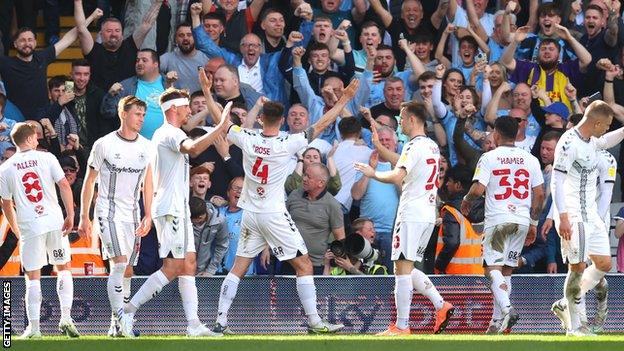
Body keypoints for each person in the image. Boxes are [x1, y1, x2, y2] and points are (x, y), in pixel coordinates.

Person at [204, 69, 360, 334]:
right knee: (304, 265)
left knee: (238, 267)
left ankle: (220, 321)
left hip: (250, 213)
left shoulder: (247, 138)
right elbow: (321, 124)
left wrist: (207, 92)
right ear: (283, 120)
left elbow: (222, 121)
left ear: (262, 118)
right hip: (274, 213)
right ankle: (314, 321)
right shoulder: (289, 142)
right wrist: (343, 101)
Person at [117, 87, 231, 338]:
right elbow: (192, 148)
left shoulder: (169, 133)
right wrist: (220, 127)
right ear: (174, 109)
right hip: (170, 210)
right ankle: (127, 311)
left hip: (178, 209)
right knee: (172, 266)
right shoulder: (169, 133)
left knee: (188, 264)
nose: (189, 111)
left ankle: (193, 325)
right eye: (186, 106)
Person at [355, 102, 454, 335]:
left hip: (411, 213)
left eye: (401, 117)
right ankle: (441, 305)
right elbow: (403, 161)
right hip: (427, 215)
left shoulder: (413, 146)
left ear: (411, 119)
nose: (399, 121)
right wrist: (379, 146)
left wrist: (373, 173)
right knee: (406, 267)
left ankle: (401, 326)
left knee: (400, 269)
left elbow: (397, 174)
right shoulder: (430, 146)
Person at [77, 95, 154, 337]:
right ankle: (123, 320)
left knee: (128, 269)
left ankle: (115, 324)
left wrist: (149, 214)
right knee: (119, 263)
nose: (141, 118)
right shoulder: (104, 144)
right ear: (123, 114)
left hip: (133, 213)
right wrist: (83, 216)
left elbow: (148, 183)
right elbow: (90, 182)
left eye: (143, 114)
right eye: (137, 114)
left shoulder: (147, 146)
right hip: (107, 211)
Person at [461, 116, 544, 334]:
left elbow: (478, 189)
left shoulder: (489, 157)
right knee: (507, 269)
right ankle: (496, 323)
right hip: (522, 220)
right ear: (516, 134)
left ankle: (507, 309)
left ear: (496, 133)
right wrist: (534, 223)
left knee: (491, 269)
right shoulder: (531, 159)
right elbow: (540, 194)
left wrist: (467, 200)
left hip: (498, 219)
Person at [549, 101, 624, 336]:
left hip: (591, 215)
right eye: (607, 125)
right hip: (573, 214)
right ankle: (574, 326)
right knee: (578, 267)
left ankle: (564, 304)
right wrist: (562, 217)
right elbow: (556, 180)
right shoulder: (569, 143)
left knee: (603, 264)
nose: (607, 129)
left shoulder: (592, 141)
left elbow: (606, 140)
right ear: (597, 122)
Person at [0, 123, 77, 338]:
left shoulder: (5, 168)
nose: (37, 140)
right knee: (63, 268)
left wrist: (16, 230)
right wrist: (70, 215)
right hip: (54, 222)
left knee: (32, 277)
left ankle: (34, 329)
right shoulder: (48, 158)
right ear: (30, 139)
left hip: (29, 226)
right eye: (35, 137)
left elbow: (6, 204)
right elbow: (64, 185)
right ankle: (66, 318)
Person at [74, 0, 162, 90]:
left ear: (122, 33)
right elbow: (81, 29)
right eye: (109, 31)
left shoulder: (129, 46)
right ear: (101, 34)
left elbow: (147, 24)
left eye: (117, 30)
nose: (113, 34)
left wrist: (158, 3)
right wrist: (78, 2)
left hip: (128, 100)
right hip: (100, 101)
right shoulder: (94, 49)